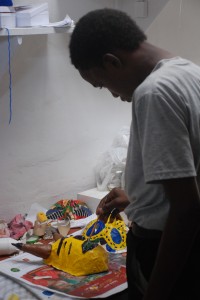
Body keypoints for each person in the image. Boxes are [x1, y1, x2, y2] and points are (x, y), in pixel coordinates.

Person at [69, 8, 200, 300]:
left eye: (102, 85)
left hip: (166, 249)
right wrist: (140, 198)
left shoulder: (152, 92)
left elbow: (187, 207)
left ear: (111, 62)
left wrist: (156, 293)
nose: (114, 94)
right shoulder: (188, 72)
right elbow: (189, 176)